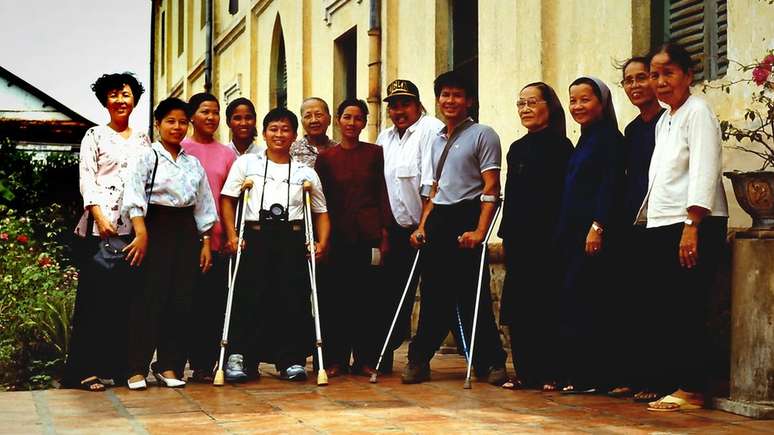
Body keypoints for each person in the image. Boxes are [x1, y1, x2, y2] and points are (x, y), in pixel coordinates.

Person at [403, 70, 507, 386]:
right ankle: (419, 361)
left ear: (469, 100)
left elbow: (491, 188)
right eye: (444, 95)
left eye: (457, 95)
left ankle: (491, 362)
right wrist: (422, 226)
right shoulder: (435, 140)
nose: (450, 101)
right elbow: (434, 189)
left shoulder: (483, 134)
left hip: (466, 217)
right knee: (433, 292)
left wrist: (480, 232)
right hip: (439, 219)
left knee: (471, 294)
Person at [640, 42, 728, 412]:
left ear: (688, 75)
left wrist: (693, 223)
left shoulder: (698, 112)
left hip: (692, 222)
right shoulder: (665, 119)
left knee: (689, 305)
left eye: (668, 73)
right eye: (654, 75)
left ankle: (694, 388)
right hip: (664, 221)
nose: (660, 82)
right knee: (670, 307)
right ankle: (680, 383)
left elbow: (705, 168)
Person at [220, 107, 330, 382]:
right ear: (265, 132)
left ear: (294, 135)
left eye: (285, 130)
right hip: (254, 237)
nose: (279, 135)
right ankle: (240, 357)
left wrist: (321, 242)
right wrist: (232, 236)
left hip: (291, 238)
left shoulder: (306, 172)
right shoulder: (246, 164)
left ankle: (290, 358)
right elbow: (228, 199)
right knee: (248, 296)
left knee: (291, 297)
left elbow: (321, 212)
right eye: (273, 129)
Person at [62, 72, 150, 392]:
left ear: (135, 99)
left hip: (133, 231)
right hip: (101, 232)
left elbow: (146, 183)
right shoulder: (94, 136)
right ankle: (85, 371)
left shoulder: (143, 139)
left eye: (125, 94)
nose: (120, 100)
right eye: (113, 95)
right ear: (105, 100)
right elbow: (88, 179)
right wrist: (99, 217)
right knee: (94, 303)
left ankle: (119, 368)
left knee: (125, 304)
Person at [123, 97, 217, 390]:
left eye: (182, 122)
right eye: (170, 121)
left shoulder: (193, 163)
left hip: (186, 231)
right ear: (158, 124)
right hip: (154, 228)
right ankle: (135, 368)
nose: (177, 127)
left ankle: (169, 366)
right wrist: (140, 233)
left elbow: (204, 205)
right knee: (149, 298)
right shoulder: (146, 157)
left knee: (181, 299)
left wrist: (204, 243)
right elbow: (134, 196)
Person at [498, 82, 572, 391]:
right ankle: (525, 372)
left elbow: (563, 197)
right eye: (520, 103)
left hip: (548, 240)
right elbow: (512, 197)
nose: (525, 109)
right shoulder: (516, 149)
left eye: (532, 102)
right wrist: (506, 237)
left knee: (547, 306)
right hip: (519, 240)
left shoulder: (561, 147)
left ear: (549, 107)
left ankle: (551, 372)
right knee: (520, 308)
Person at [557, 76, 625, 394]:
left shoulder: (610, 138)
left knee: (592, 303)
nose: (578, 106)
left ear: (602, 103)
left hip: (594, 235)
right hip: (574, 236)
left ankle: (598, 376)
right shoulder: (584, 139)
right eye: (573, 100)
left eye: (585, 99)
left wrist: (598, 226)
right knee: (577, 301)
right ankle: (582, 374)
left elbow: (609, 185)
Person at [315, 99, 393, 377]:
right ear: (338, 120)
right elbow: (320, 200)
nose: (351, 123)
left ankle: (364, 359)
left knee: (368, 300)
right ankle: (335, 359)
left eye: (358, 118)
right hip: (337, 238)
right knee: (336, 300)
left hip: (367, 236)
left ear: (364, 122)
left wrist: (384, 233)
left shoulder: (374, 153)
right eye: (347, 117)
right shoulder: (325, 158)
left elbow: (382, 192)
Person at [376, 79, 444, 374]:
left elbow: (434, 184)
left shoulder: (430, 130)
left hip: (428, 228)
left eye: (405, 104)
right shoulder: (385, 137)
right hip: (396, 231)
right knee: (390, 296)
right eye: (393, 105)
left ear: (418, 105)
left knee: (434, 296)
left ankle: (420, 359)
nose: (399, 110)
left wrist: (424, 225)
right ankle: (381, 355)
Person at [607, 57, 666, 401]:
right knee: (633, 304)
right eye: (628, 81)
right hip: (633, 224)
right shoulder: (631, 130)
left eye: (641, 78)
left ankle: (658, 379)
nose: (635, 86)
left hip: (661, 221)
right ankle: (636, 375)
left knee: (657, 304)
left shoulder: (667, 122)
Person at [180, 93, 237, 383]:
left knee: (212, 304)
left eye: (215, 112)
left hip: (217, 239)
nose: (211, 118)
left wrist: (231, 234)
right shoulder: (180, 148)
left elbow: (232, 199)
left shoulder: (227, 154)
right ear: (192, 116)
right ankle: (177, 360)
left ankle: (205, 363)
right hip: (183, 238)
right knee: (183, 302)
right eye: (205, 112)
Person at [290, 97, 338, 167]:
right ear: (302, 122)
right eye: (308, 116)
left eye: (318, 115)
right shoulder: (291, 151)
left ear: (329, 119)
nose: (314, 120)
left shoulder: (338, 150)